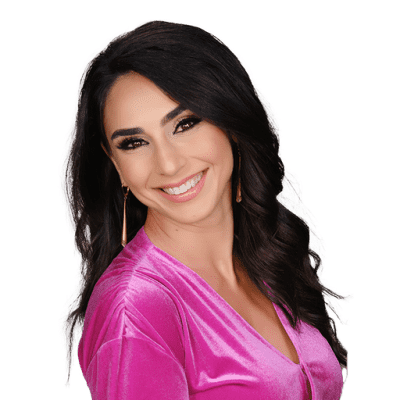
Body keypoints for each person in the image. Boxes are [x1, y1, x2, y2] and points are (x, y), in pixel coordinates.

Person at [60, 19, 349, 399]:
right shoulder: (136, 308)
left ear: (229, 121)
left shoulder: (264, 261)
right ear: (114, 162)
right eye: (134, 143)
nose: (168, 164)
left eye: (185, 124)